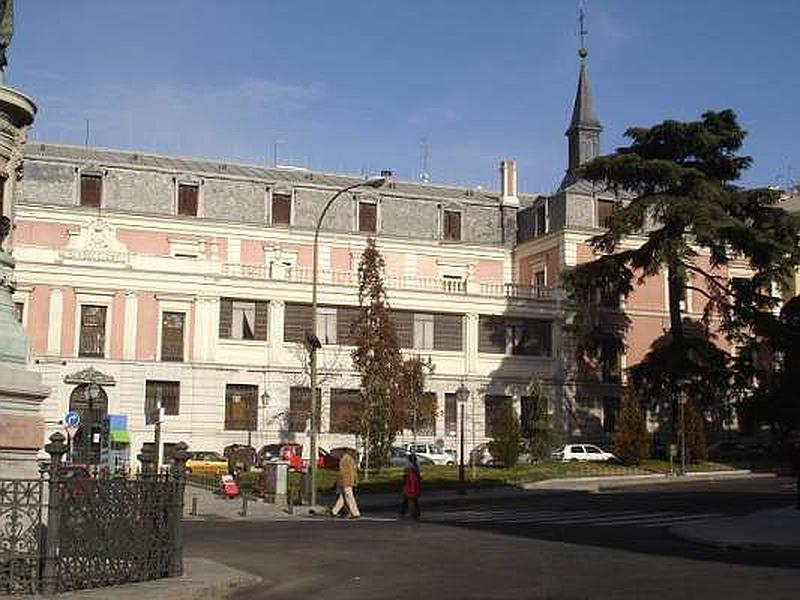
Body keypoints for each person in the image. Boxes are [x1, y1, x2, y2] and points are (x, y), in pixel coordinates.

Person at [331, 450, 360, 519]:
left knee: (348, 496)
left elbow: (342, 472)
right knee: (345, 496)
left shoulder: (344, 460)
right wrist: (355, 480)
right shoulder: (350, 459)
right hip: (349, 480)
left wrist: (338, 481)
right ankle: (334, 511)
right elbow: (354, 471)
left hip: (345, 480)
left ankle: (355, 513)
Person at [400, 452, 422, 519]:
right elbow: (418, 476)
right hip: (413, 485)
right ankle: (415, 512)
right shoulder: (415, 467)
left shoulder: (409, 467)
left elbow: (405, 476)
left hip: (410, 485)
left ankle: (404, 511)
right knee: (413, 499)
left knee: (408, 498)